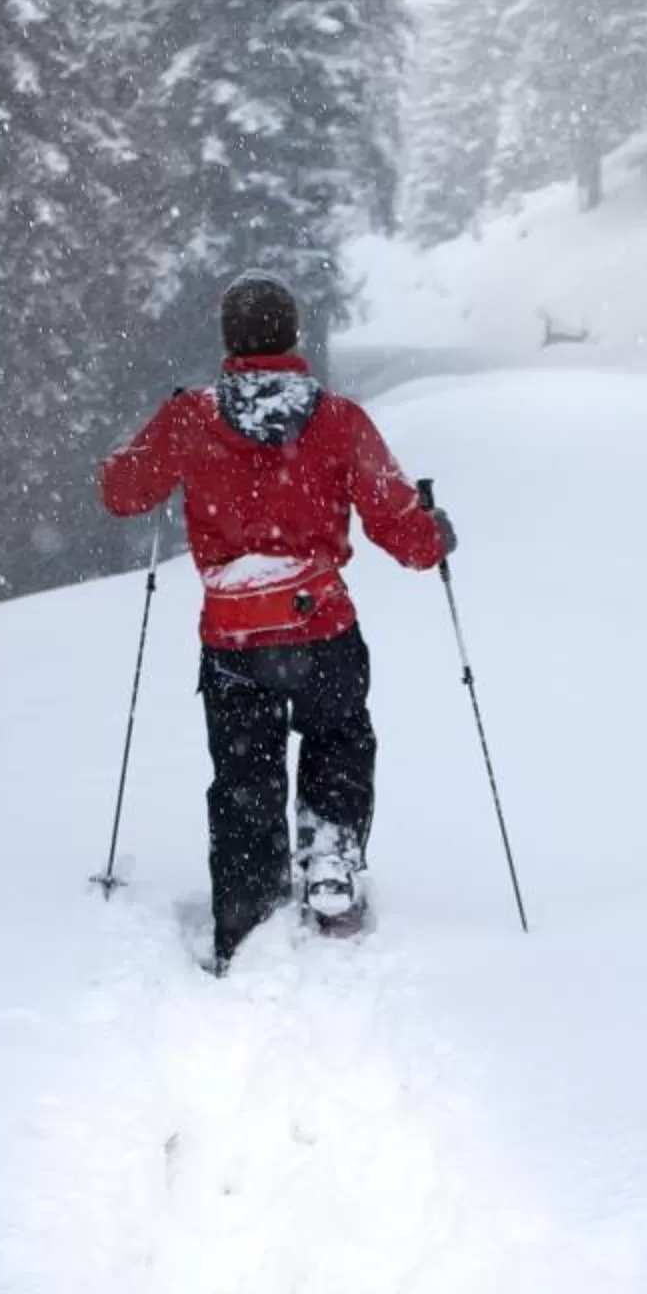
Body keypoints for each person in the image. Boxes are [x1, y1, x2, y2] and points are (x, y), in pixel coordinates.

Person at [100, 273, 455, 967]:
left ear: (229, 341)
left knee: (243, 778)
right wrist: (433, 534)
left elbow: (122, 492)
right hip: (322, 626)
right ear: (292, 337)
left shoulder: (193, 417)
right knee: (339, 738)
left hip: (234, 638)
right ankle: (328, 856)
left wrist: (161, 438)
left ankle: (245, 908)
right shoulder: (339, 420)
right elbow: (399, 528)